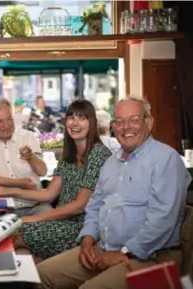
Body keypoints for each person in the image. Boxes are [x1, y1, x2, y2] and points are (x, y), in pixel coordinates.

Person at [37, 97, 192, 289]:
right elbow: (94, 207)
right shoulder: (111, 162)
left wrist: (122, 253)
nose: (126, 127)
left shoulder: (166, 159)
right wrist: (87, 240)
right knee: (40, 275)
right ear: (113, 126)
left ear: (149, 122)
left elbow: (162, 221)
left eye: (134, 120)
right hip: (103, 248)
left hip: (151, 255)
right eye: (119, 121)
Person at [0, 99, 111, 262]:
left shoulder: (98, 154)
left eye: (82, 118)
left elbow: (79, 207)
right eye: (71, 117)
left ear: (92, 123)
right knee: (13, 236)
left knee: (14, 233)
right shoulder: (69, 156)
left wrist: (29, 220)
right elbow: (49, 194)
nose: (75, 123)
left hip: (84, 228)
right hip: (63, 221)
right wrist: (7, 191)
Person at [0, 98, 49, 216]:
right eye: (0, 121)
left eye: (9, 119)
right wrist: (18, 183)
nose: (6, 125)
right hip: (0, 209)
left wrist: (31, 157)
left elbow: (42, 171)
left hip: (35, 205)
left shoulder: (28, 137)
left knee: (52, 223)